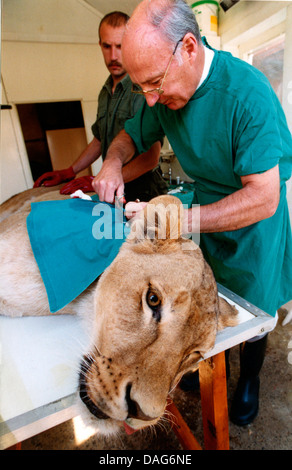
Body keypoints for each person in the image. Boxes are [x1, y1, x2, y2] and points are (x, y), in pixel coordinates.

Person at [92, 0, 292, 426]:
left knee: (254, 312)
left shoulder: (247, 93)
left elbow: (264, 197)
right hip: (204, 213)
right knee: (200, 305)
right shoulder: (161, 92)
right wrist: (111, 164)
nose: (150, 99)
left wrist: (180, 220)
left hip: (255, 227)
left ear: (188, 47)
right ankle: (193, 360)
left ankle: (250, 379)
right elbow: (130, 136)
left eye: (154, 85)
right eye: (141, 87)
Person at [34, 11, 167, 202]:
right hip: (115, 192)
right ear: (100, 45)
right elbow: (99, 139)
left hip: (145, 193)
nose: (113, 56)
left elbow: (151, 158)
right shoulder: (105, 92)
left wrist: (106, 178)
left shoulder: (142, 88)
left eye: (120, 46)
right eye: (107, 46)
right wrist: (71, 171)